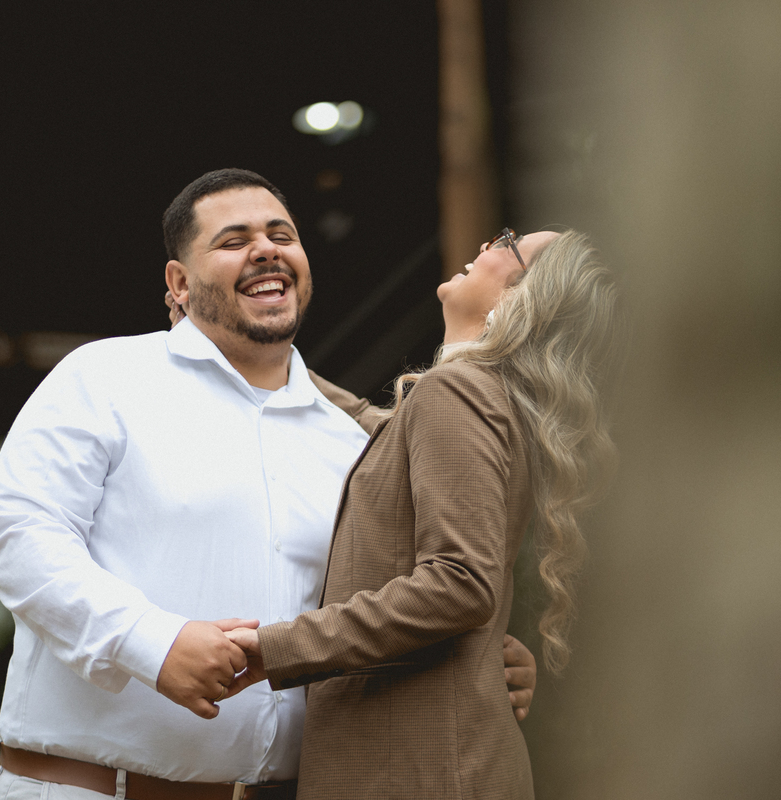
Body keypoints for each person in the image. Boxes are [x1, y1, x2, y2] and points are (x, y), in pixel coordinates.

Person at [0, 169, 537, 800]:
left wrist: (479, 656)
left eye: (282, 234)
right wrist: (152, 643)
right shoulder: (107, 377)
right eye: (233, 240)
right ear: (179, 284)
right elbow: (20, 535)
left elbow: (392, 601)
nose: (266, 248)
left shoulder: (355, 443)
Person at [225, 228, 619, 799]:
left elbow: (461, 583)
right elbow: (368, 423)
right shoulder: (484, 397)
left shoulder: (459, 391)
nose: (485, 244)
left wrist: (272, 649)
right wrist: (242, 345)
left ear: (516, 296)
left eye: (505, 243)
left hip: (421, 772)